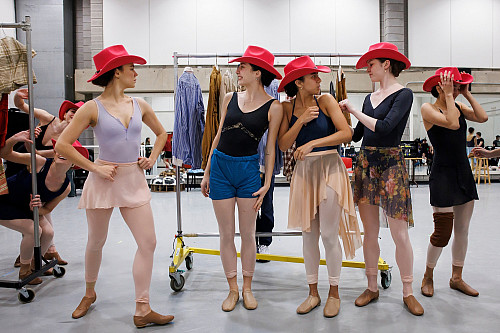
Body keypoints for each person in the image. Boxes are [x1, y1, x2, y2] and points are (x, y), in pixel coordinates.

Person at [55, 45, 172, 328]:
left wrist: (153, 157)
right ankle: (89, 293)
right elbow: (62, 145)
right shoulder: (91, 108)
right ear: (116, 72)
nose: (135, 73)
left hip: (133, 178)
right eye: (131, 67)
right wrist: (95, 167)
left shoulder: (140, 105)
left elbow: (161, 134)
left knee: (149, 242)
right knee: (97, 241)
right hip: (103, 180)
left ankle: (142, 308)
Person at [339, 42, 424, 316]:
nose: (367, 69)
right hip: (366, 162)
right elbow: (357, 135)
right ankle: (372, 286)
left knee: (400, 233)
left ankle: (408, 291)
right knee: (370, 231)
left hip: (390, 165)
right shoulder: (368, 98)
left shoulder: (404, 94)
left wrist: (353, 111)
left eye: (371, 64)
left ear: (386, 63)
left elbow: (385, 128)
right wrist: (340, 119)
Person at [200, 45, 283, 312]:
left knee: (248, 234)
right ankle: (232, 289)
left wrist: (268, 182)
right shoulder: (228, 98)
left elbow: (270, 148)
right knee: (226, 234)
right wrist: (207, 170)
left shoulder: (274, 107)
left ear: (257, 73)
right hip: (222, 168)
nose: (237, 71)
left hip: (248, 171)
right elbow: (218, 136)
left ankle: (248, 288)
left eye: (243, 67)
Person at [278, 56, 362, 317]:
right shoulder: (286, 109)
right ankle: (312, 292)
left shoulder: (325, 101)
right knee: (308, 235)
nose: (319, 79)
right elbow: (282, 144)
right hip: (304, 173)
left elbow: (346, 133)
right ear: (299, 82)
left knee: (328, 234)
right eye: (313, 76)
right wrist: (301, 120)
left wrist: (313, 143)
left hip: (329, 167)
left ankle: (334, 292)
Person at [420, 67, 487, 298]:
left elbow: (482, 117)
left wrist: (467, 94)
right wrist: (449, 95)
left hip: (462, 172)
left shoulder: (458, 105)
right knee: (443, 232)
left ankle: (456, 277)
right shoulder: (428, 108)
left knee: (462, 230)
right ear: (439, 87)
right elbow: (453, 124)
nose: (456, 89)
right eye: (453, 85)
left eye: (458, 86)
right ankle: (428, 275)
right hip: (442, 174)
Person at [0, 129, 88, 285]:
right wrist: (15, 139)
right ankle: (24, 269)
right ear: (55, 153)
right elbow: (6, 154)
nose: (63, 153)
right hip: (5, 200)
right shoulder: (39, 162)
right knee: (33, 230)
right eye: (61, 149)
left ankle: (35, 263)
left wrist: (39, 206)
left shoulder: (66, 187)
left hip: (27, 208)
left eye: (69, 152)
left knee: (48, 232)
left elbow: (47, 210)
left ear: (74, 162)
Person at [10, 92, 84, 267]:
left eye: (79, 113)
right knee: (25, 206)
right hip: (20, 160)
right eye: (72, 110)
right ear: (65, 113)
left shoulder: (70, 141)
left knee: (40, 208)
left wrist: (32, 143)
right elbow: (21, 106)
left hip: (40, 165)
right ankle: (41, 251)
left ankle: (44, 250)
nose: (74, 114)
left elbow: (41, 154)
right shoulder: (47, 118)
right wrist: (18, 96)